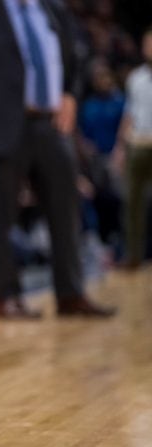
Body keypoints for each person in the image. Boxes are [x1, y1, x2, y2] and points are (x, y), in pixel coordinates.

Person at [0, 0, 115, 319]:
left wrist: (71, 94)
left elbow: (73, 58)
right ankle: (6, 297)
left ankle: (70, 293)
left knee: (66, 210)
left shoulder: (52, 9)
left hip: (50, 123)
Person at [114, 27, 152, 270]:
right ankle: (133, 256)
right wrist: (119, 147)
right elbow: (128, 114)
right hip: (137, 144)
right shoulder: (135, 78)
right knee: (132, 203)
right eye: (148, 43)